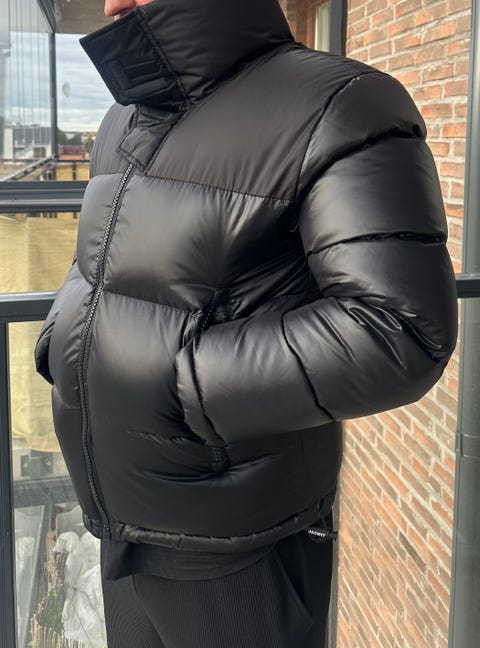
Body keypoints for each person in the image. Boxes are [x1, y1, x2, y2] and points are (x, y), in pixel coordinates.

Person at [34, 0, 458, 646]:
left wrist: (175, 387)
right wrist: (60, 342)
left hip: (236, 549)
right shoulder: (123, 118)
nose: (112, 2)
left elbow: (398, 328)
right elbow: (97, 267)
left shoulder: (341, 106)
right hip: (118, 522)